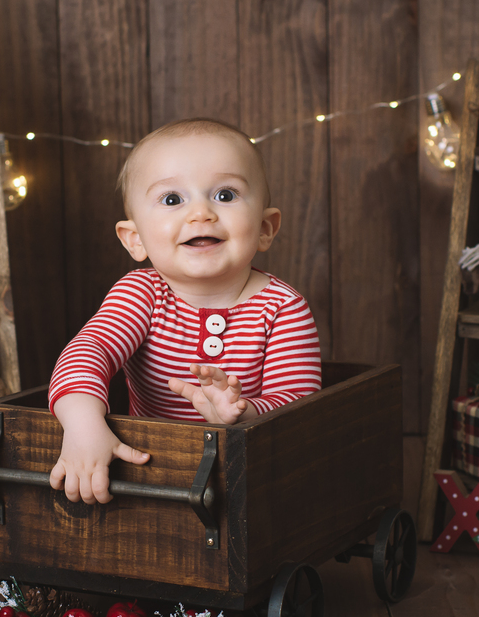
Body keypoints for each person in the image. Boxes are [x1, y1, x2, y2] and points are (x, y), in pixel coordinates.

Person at [47, 118, 322, 504]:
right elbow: (89, 352)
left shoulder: (282, 307)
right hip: (151, 476)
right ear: (136, 239)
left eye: (226, 195)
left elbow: (298, 399)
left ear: (264, 228)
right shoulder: (141, 294)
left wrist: (242, 412)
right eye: (173, 199)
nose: (201, 214)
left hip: (250, 479)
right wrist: (83, 425)